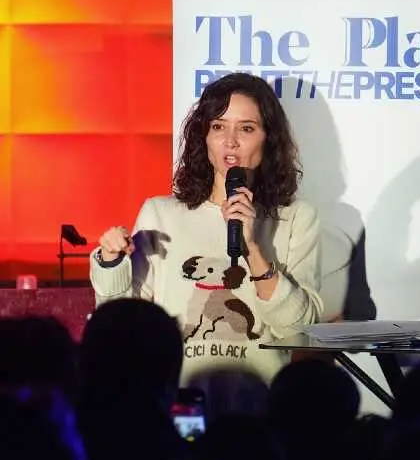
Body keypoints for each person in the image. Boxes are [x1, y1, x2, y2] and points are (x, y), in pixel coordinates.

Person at [90, 72, 323, 414]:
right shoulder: (162, 213)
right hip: (181, 407)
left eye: (246, 128)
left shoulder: (297, 218)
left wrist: (253, 249)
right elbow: (122, 323)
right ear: (204, 138)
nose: (230, 141)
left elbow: (299, 330)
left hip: (258, 410)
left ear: (268, 138)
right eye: (218, 127)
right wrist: (111, 262)